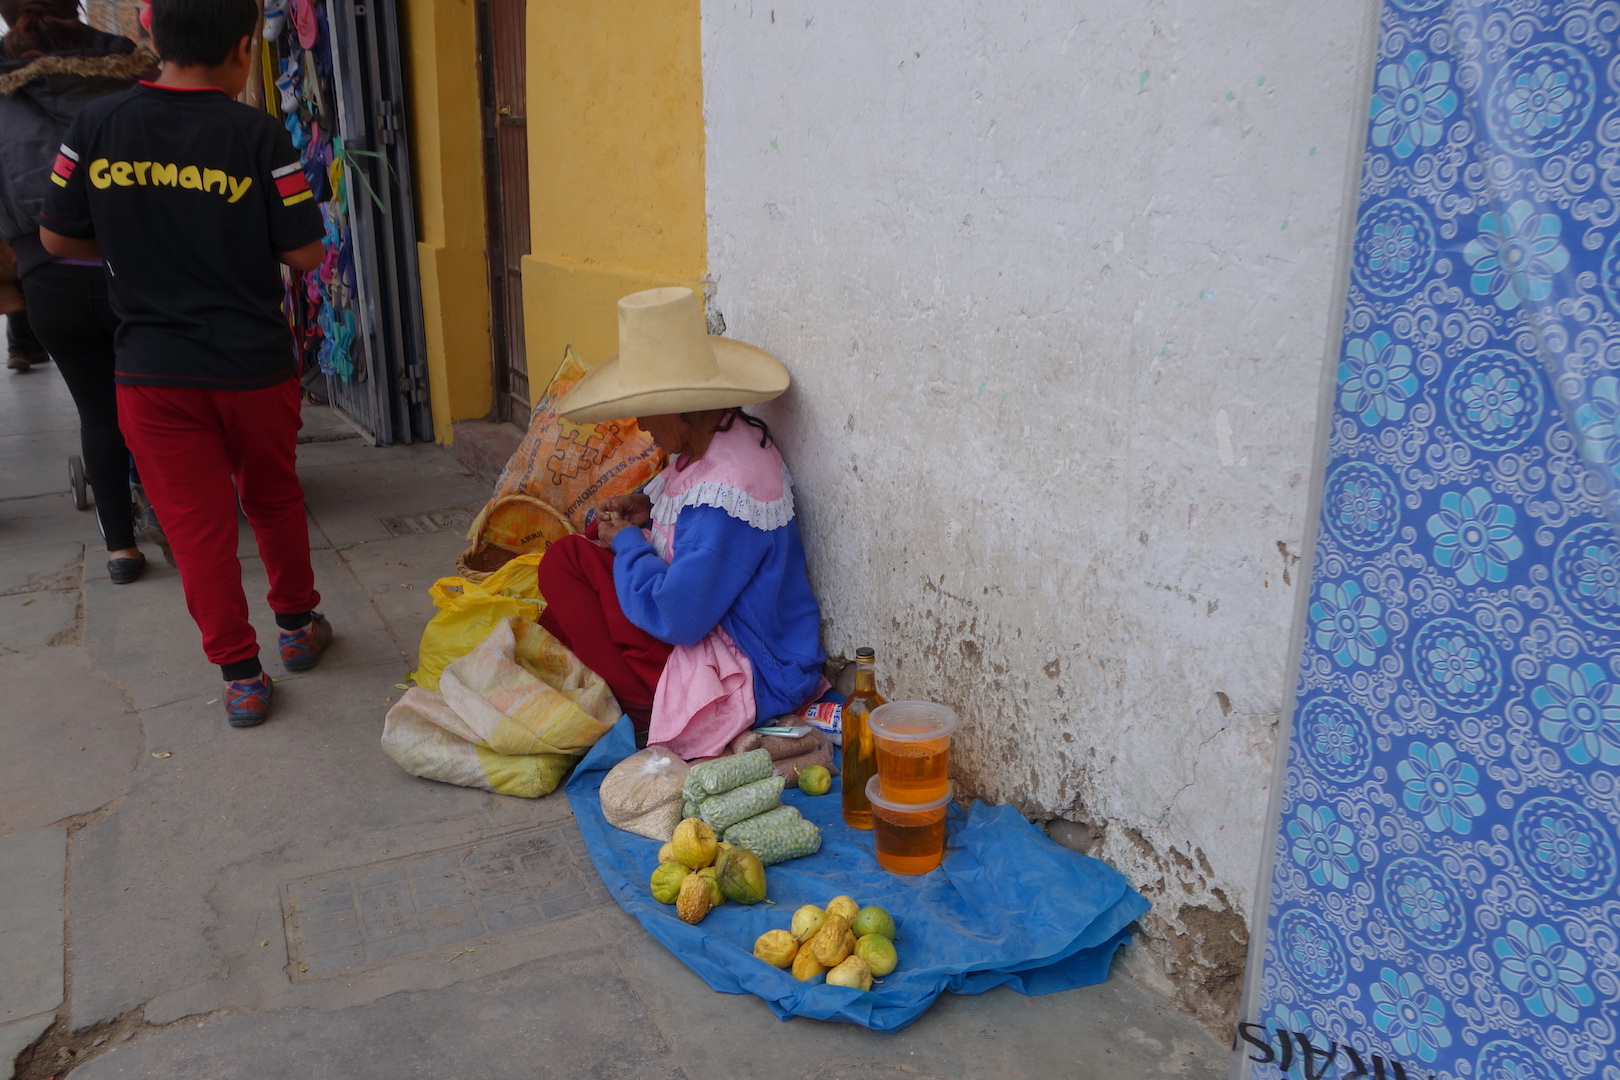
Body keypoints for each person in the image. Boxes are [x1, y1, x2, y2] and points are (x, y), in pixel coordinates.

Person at [38, 0, 332, 727]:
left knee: (197, 530)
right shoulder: (257, 134)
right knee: (272, 498)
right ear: (242, 49)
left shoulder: (94, 126)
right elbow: (305, 252)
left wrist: (129, 250)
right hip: (253, 365)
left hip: (153, 371)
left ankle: (241, 678)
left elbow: (56, 238)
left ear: (153, 36)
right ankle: (298, 628)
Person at [539, 287, 826, 758]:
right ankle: (641, 698)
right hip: (732, 639)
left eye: (645, 408)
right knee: (585, 555)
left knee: (567, 563)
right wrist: (646, 513)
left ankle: (646, 712)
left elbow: (678, 617)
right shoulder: (720, 439)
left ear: (682, 406)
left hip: (754, 671)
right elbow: (693, 541)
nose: (641, 424)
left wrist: (630, 543)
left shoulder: (728, 490)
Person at [0, 0, 154, 578]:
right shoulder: (132, 72)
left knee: (98, 412)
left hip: (48, 278)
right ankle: (174, 513)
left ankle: (121, 550)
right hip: (137, 267)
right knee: (157, 399)